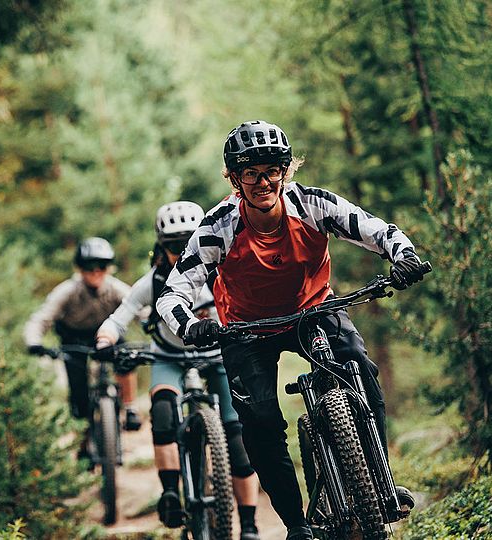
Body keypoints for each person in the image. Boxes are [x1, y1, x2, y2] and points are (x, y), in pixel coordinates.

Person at [155, 120, 428, 540]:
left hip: (314, 309)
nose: (263, 181)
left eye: (272, 170)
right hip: (246, 328)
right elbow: (173, 292)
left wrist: (403, 255)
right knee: (260, 422)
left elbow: (374, 229)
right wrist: (191, 326)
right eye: (250, 173)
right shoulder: (218, 226)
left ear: (286, 170)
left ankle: (380, 483)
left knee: (358, 365)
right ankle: (296, 523)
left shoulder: (314, 205)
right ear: (234, 178)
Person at [96, 202, 262, 540]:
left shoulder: (223, 272)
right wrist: (105, 339)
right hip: (169, 355)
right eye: (174, 245)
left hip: (219, 356)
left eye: (189, 242)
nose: (181, 251)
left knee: (238, 439)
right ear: (161, 247)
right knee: (162, 412)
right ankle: (171, 491)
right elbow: (120, 316)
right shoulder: (154, 282)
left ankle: (248, 524)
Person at [25, 237, 142, 449]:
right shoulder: (67, 290)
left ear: (109, 268)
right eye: (89, 267)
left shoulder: (116, 288)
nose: (96, 272)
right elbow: (41, 318)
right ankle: (83, 441)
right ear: (79, 269)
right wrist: (34, 342)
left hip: (107, 336)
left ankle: (130, 407)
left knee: (126, 360)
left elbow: (140, 310)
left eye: (102, 266)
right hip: (74, 339)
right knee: (78, 395)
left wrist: (155, 324)